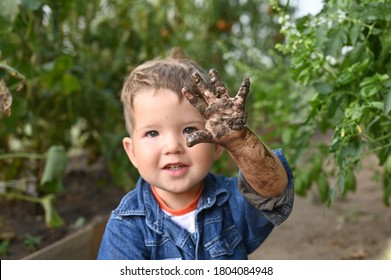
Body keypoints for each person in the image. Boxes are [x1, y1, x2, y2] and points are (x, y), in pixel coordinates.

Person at [97, 51, 294, 260]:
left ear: (217, 144)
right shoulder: (125, 228)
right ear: (133, 152)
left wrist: (240, 141)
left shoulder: (231, 202)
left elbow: (274, 192)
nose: (172, 147)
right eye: (152, 133)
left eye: (190, 130)